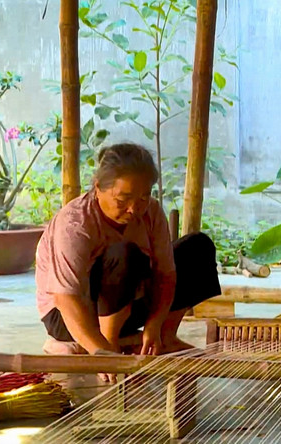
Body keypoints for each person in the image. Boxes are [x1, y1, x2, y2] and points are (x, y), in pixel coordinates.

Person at [35, 143, 221, 363]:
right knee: (123, 254)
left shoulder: (150, 211)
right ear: (98, 187)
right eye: (122, 199)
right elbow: (66, 298)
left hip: (130, 305)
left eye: (143, 196)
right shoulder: (74, 223)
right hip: (68, 316)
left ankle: (164, 339)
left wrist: (154, 326)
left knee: (197, 247)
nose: (134, 208)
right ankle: (108, 343)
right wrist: (100, 352)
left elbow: (166, 275)